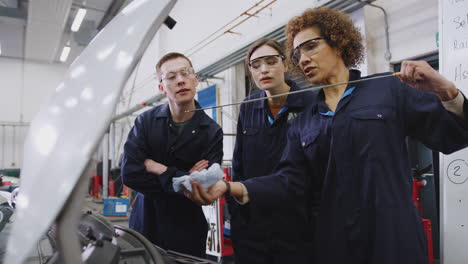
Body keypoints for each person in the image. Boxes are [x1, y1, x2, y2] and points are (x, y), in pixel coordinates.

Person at [187, 7, 468, 264]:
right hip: (334, 245)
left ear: (338, 42)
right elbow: (290, 181)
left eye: (311, 46)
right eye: (298, 54)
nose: (304, 58)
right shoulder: (305, 121)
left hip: (393, 239)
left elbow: (453, 137)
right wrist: (230, 187)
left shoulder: (388, 91)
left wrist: (447, 93)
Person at [121, 52, 223, 258]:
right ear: (161, 87)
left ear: (195, 80)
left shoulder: (211, 131)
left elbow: (205, 185)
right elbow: (131, 174)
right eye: (171, 76)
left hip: (186, 228)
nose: (180, 80)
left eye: (186, 73)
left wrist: (162, 169)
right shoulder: (145, 122)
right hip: (145, 223)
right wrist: (184, 178)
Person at [229, 38, 316, 264]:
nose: (264, 70)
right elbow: (239, 163)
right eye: (256, 65)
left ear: (286, 65)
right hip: (254, 225)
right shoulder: (249, 106)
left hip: (299, 226)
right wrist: (239, 216)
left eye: (271, 62)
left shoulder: (312, 102)